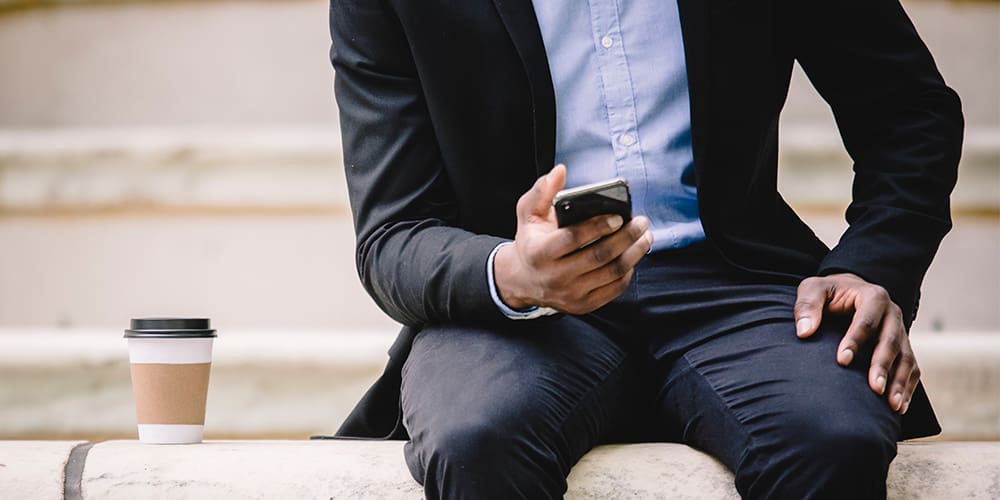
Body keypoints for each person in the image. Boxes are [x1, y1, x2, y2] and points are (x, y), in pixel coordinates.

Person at [325, 0, 963, 498]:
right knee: (477, 439)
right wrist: (515, 273)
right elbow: (393, 233)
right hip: (522, 312)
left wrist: (872, 265)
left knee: (833, 437)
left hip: (735, 287)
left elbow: (909, 110)